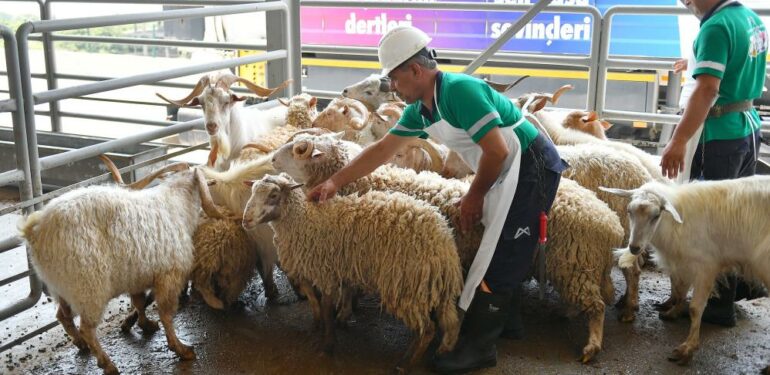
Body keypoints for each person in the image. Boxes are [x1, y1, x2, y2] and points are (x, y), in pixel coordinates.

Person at [307, 25, 567, 373]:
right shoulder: (421, 109)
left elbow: (497, 150)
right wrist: (334, 182)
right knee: (496, 241)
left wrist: (474, 196)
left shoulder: (460, 91)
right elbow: (382, 150)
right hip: (503, 169)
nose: (393, 87)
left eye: (395, 78)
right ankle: (508, 323)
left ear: (415, 70)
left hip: (530, 165)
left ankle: (480, 347)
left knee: (503, 249)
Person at [660, 0, 768, 327]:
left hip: (719, 135)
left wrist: (678, 140)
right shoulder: (749, 18)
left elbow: (707, 89)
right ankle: (731, 294)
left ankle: (716, 305)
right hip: (746, 127)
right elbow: (736, 63)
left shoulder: (716, 26)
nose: (686, 2)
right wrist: (696, 63)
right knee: (738, 220)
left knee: (713, 223)